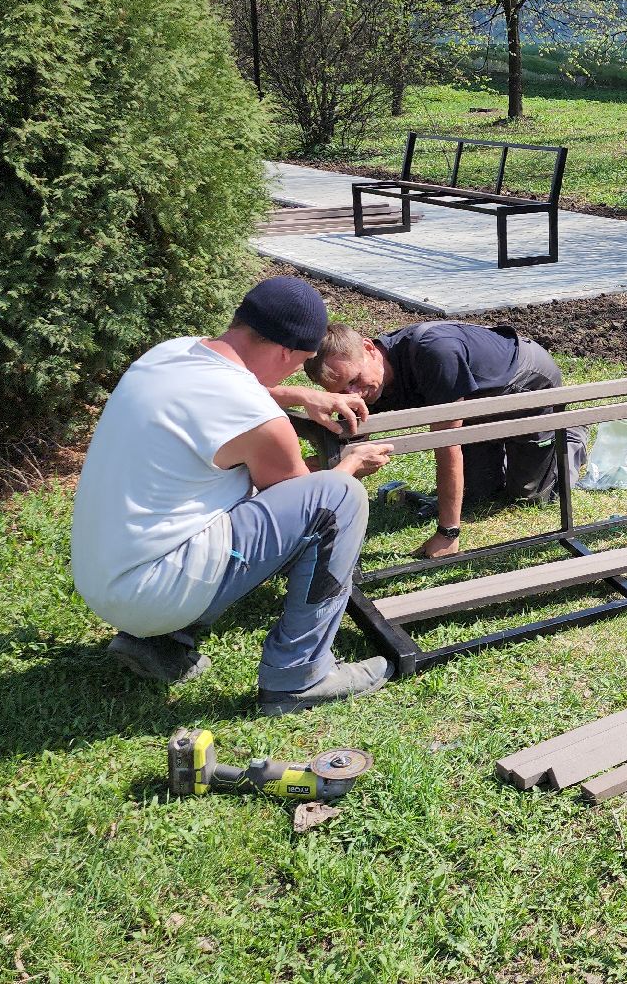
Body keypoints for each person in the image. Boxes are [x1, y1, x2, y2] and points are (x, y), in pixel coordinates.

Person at [71, 276, 395, 715]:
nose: (292, 374)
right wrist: (351, 465)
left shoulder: (168, 354)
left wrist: (296, 395)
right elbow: (307, 501)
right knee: (340, 499)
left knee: (215, 489)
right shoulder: (258, 419)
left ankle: (160, 642)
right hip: (152, 594)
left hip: (103, 579)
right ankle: (298, 676)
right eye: (297, 365)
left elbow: (232, 390)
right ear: (285, 352)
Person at [309, 321, 584, 559]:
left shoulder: (433, 352)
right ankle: (500, 440)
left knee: (529, 495)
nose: (355, 393)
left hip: (524, 379)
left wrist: (448, 533)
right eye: (342, 390)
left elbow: (447, 443)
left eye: (355, 380)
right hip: (472, 400)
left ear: (370, 349)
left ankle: (572, 435)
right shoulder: (367, 384)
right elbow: (349, 450)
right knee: (478, 494)